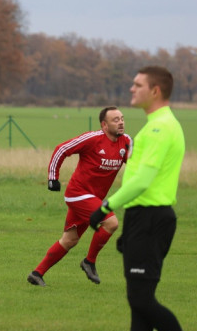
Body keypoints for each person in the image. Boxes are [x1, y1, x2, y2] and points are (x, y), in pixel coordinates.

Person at [91, 66, 197, 331]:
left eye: (138, 84)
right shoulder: (155, 125)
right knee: (139, 297)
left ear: (155, 90)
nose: (132, 89)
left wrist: (106, 206)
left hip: (152, 217)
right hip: (142, 218)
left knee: (142, 298)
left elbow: (143, 180)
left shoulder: (161, 128)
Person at [27, 107, 132, 287]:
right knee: (111, 222)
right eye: (115, 120)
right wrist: (53, 178)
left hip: (95, 199)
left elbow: (135, 168)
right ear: (104, 125)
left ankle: (37, 274)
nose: (121, 122)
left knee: (69, 240)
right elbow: (62, 149)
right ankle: (89, 262)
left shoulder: (127, 142)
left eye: (122, 118)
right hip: (78, 194)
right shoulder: (92, 139)